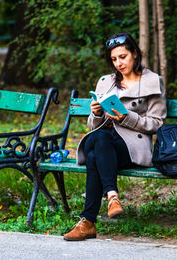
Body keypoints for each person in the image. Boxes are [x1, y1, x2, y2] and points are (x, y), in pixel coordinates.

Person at [63, 32, 167, 241]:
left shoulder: (152, 82)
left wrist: (127, 117)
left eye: (123, 57)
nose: (118, 63)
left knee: (97, 145)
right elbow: (93, 125)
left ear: (135, 54)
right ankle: (111, 198)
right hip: (106, 145)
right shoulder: (106, 82)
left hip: (132, 147)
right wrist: (97, 113)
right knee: (99, 142)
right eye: (114, 59)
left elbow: (157, 123)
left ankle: (88, 221)